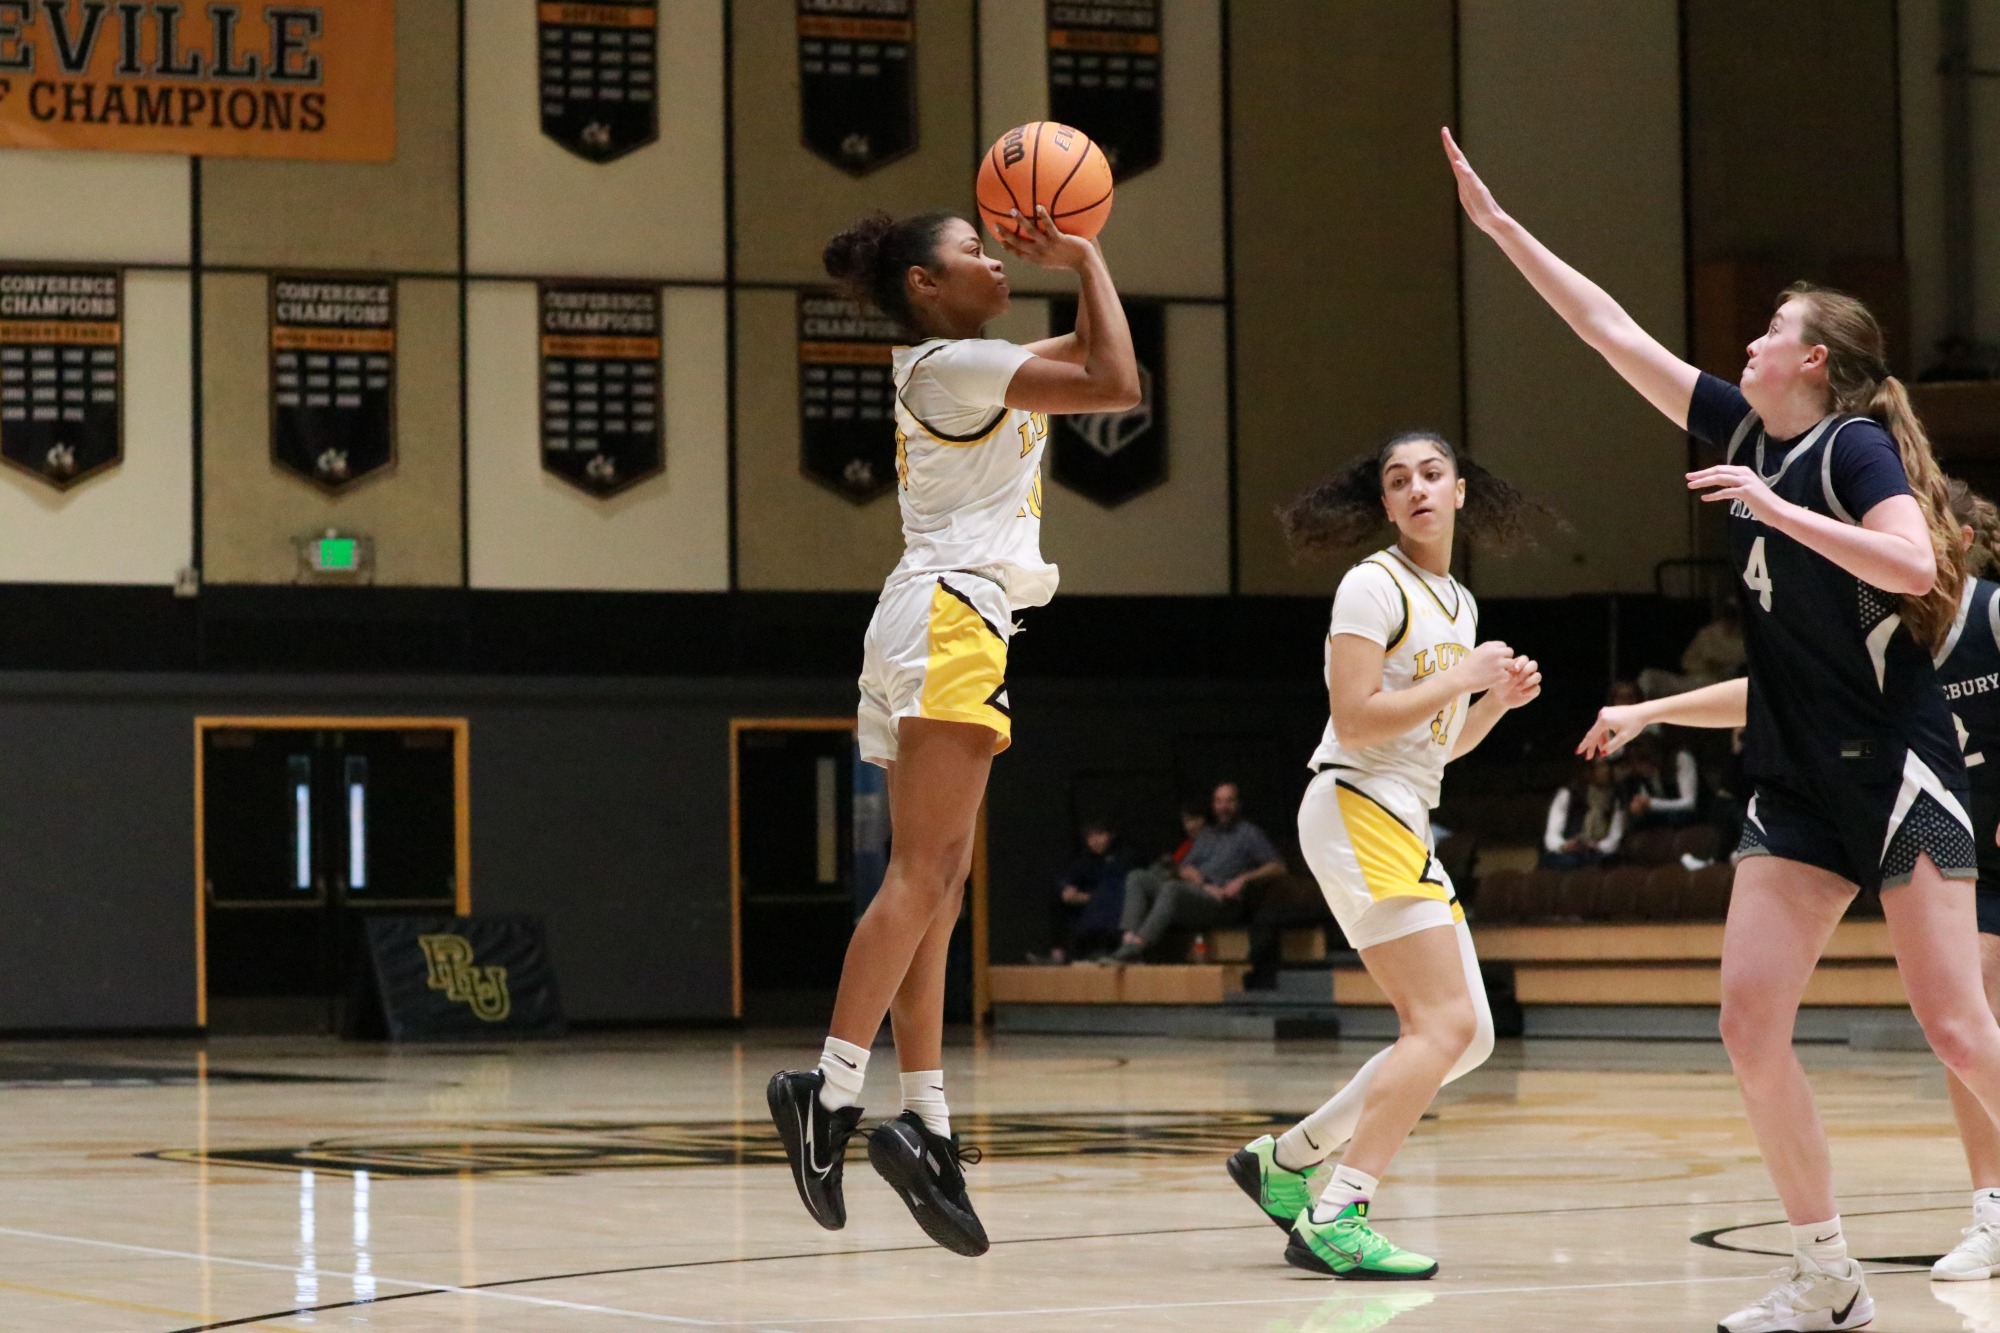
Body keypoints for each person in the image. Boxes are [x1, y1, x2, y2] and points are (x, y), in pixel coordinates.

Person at [1450, 126, 2000, 1331]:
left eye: (1766, 329)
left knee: (1958, 1026)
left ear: (1808, 359)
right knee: (1747, 1023)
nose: (1743, 343)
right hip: (1793, 780)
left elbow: (1911, 559)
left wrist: (1772, 510)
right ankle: (1825, 1276)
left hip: (1898, 771)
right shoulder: (1745, 430)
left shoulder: (1845, 446)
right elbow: (1610, 332)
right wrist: (1499, 231)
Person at [767, 204, 1139, 1257]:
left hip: (934, 619)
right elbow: (1117, 384)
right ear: (924, 285)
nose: (992, 259)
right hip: (947, 618)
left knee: (939, 884)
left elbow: (1103, 355)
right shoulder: (954, 364)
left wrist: (1082, 270)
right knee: (920, 879)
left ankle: (925, 1120)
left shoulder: (972, 363)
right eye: (972, 249)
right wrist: (1086, 252)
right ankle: (826, 1088)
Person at [1225, 429, 1545, 1280]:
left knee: (1465, 1036)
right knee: (1439, 1024)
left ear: (1461, 490)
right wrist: (1462, 677)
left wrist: (1494, 705)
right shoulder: (1372, 585)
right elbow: (1360, 717)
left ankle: (1287, 1160)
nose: (1417, 490)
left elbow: (1435, 748)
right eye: (1399, 480)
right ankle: (1340, 1208)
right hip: (1355, 801)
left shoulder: (1459, 603)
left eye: (1432, 475)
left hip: (1402, 808)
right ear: (1386, 504)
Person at [1932, 482, 2000, 1281]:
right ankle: (1990, 1206)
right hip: (1966, 859)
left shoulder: (1989, 614)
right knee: (1964, 1014)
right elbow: (1777, 700)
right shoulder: (1895, 637)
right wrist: (1652, 711)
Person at [1109, 782, 1285, 963]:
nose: (1223, 807)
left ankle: (1137, 947)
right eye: (1219, 801)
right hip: (1197, 891)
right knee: (1137, 877)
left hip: (1221, 902)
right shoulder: (1207, 834)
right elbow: (1182, 867)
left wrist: (1244, 878)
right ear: (1213, 805)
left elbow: (1278, 867)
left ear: (1238, 804)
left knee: (1172, 888)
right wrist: (1193, 877)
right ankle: (1127, 941)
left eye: (1229, 801)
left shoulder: (1249, 833)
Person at [1033, 818, 1129, 964]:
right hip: (1089, 902)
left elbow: (1117, 888)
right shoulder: (1088, 859)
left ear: (1111, 835)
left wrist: (1090, 897)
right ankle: (1057, 954)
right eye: (1090, 837)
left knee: (1104, 904)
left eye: (1099, 835)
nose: (1095, 841)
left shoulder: (1125, 856)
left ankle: (1105, 951)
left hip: (1115, 905)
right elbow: (1067, 876)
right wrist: (1066, 888)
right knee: (1057, 896)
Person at [1640, 602, 1747, 700]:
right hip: (1690, 680)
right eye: (1728, 615)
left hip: (1716, 686)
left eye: (1734, 616)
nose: (1730, 621)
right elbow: (1689, 661)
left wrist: (1720, 668)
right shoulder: (1708, 633)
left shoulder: (1745, 643)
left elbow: (1733, 670)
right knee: (1648, 676)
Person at [1539, 757, 1625, 869]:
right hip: (1569, 851)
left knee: (1607, 863)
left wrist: (1597, 846)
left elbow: (1615, 837)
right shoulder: (1568, 795)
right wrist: (1565, 845)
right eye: (1601, 766)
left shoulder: (1615, 798)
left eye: (1608, 766)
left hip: (1596, 852)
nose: (1607, 770)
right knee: (1568, 862)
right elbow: (1551, 836)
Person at [1621, 732, 1702, 830]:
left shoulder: (1680, 759)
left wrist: (1651, 803)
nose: (1638, 769)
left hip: (1692, 813)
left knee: (1678, 817)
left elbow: (1689, 803)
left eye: (1641, 762)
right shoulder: (1640, 777)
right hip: (1663, 815)